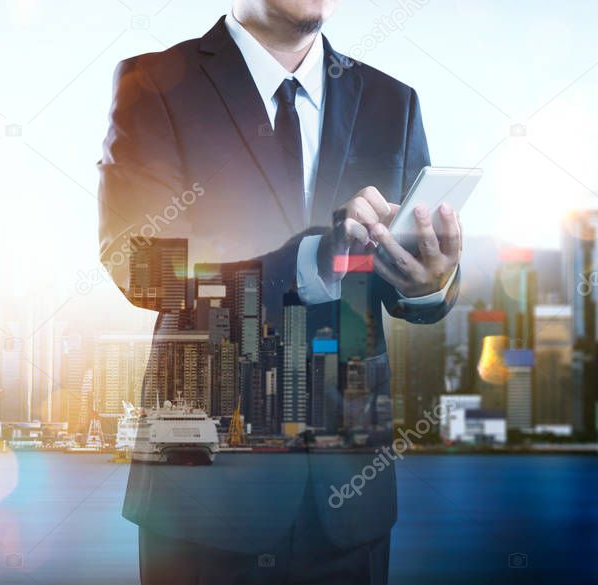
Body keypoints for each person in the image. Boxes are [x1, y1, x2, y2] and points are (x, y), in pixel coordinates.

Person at [97, 1, 461, 583]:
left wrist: (430, 283)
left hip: (350, 499)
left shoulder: (395, 101)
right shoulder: (156, 84)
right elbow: (141, 267)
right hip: (203, 495)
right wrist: (309, 261)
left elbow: (408, 286)